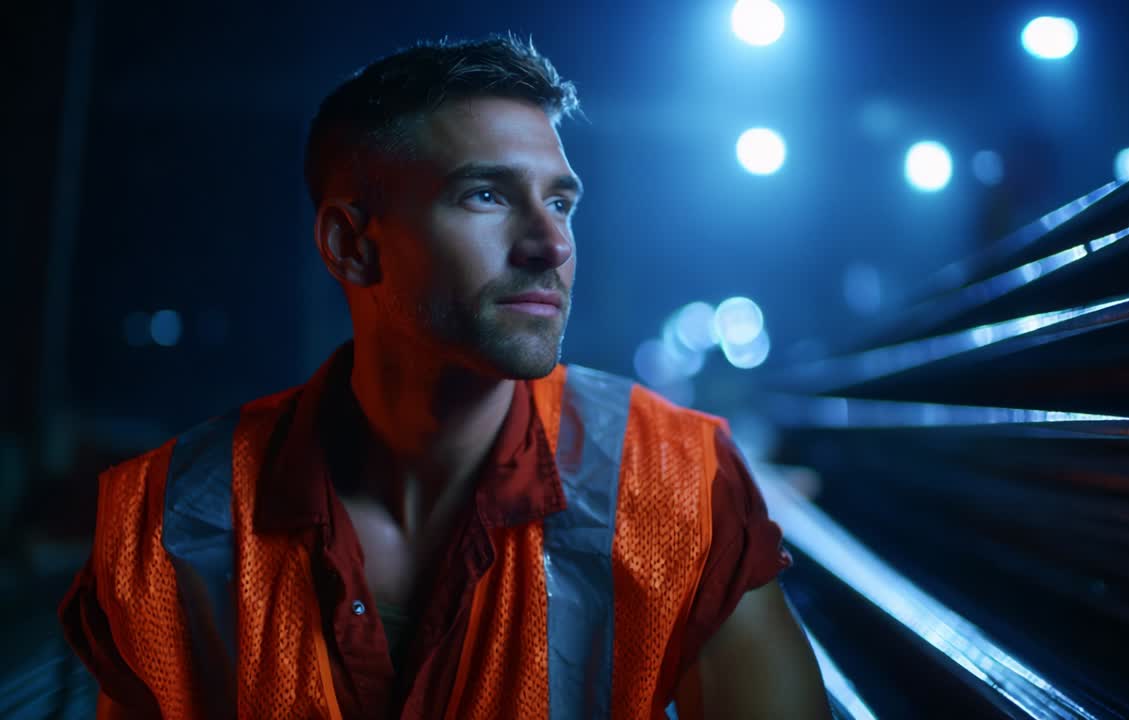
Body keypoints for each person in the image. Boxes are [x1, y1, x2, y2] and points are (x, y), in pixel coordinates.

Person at [59, 34, 831, 718]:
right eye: (486, 195)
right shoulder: (167, 526)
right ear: (351, 245)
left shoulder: (676, 485)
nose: (549, 244)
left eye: (560, 202)